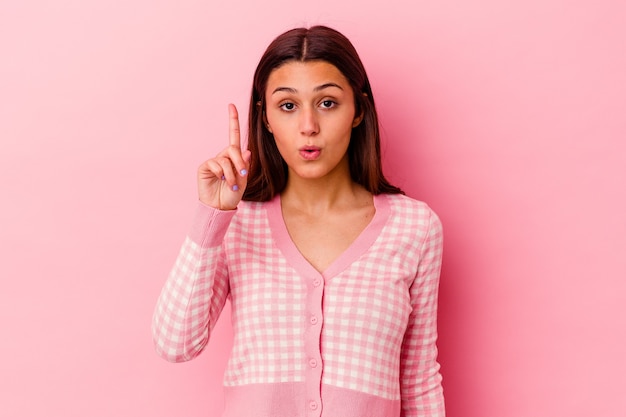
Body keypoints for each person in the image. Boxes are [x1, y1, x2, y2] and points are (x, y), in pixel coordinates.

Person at [152, 25, 445, 417]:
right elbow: (175, 343)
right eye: (288, 106)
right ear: (267, 118)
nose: (308, 125)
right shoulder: (238, 222)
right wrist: (213, 215)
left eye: (327, 103)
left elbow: (419, 382)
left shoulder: (415, 228)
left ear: (358, 110)